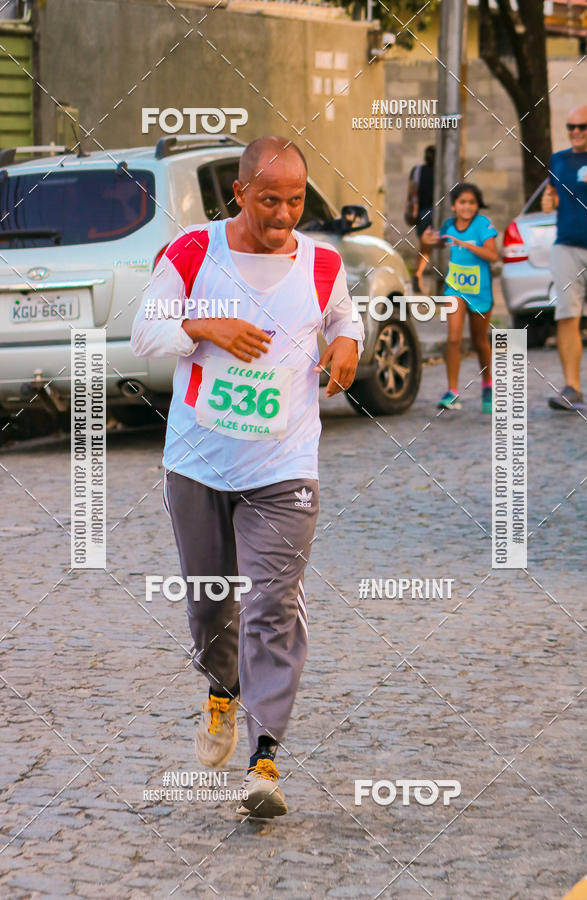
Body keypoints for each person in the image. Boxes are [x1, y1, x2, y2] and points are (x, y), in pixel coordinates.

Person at [131, 136, 364, 818]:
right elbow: (146, 330)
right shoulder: (193, 253)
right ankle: (220, 690)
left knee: (272, 605)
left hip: (284, 466)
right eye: (269, 201)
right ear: (239, 195)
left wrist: (348, 342)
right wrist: (209, 327)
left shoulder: (322, 262)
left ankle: (265, 755)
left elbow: (343, 314)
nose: (284, 215)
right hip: (198, 463)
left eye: (295, 200)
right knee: (211, 606)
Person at [541, 104, 587, 411]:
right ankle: (572, 388)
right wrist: (548, 201)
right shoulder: (558, 160)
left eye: (582, 127)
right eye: (571, 127)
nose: (575, 132)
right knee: (567, 315)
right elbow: (551, 197)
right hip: (565, 246)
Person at [422, 182, 498, 412]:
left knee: (480, 341)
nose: (467, 207)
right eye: (462, 202)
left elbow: (493, 255)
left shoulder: (483, 225)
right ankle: (452, 391)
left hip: (480, 290)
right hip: (454, 288)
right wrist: (426, 241)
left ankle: (488, 385)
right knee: (453, 338)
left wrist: (465, 244)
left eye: (472, 202)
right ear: (454, 205)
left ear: (477, 206)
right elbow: (429, 247)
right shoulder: (448, 225)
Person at [405, 145, 435, 294]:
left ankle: (418, 273)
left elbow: (410, 193)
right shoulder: (442, 172)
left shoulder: (416, 171)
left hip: (420, 214)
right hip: (434, 212)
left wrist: (409, 210)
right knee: (430, 247)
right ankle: (419, 274)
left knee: (425, 247)